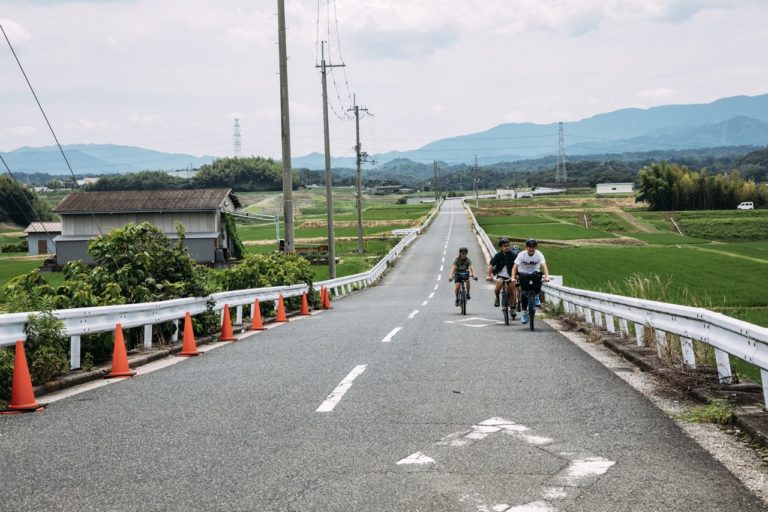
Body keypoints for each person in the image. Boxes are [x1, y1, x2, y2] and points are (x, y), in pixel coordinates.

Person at [512, 238, 550, 325]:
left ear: (535, 247)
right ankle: (524, 313)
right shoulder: (522, 255)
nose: (531, 249)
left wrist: (547, 276)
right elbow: (514, 267)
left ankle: (536, 296)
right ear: (526, 247)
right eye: (529, 247)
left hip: (534, 272)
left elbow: (544, 266)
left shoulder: (539, 254)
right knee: (524, 294)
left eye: (533, 247)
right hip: (523, 273)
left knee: (538, 277)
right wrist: (513, 277)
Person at [486, 237, 520, 310]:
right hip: (500, 275)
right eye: (504, 246)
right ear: (501, 247)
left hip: (511, 276)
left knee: (512, 290)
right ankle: (497, 297)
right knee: (497, 289)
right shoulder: (498, 255)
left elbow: (518, 266)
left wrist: (517, 275)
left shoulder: (514, 255)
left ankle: (512, 307)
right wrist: (488, 275)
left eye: (508, 245)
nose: (506, 247)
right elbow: (491, 265)